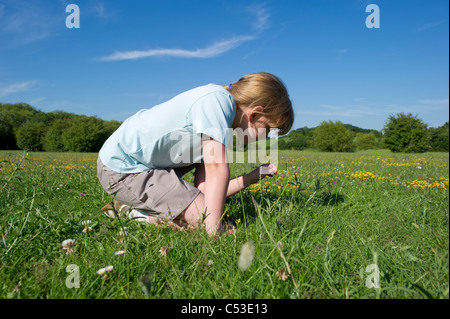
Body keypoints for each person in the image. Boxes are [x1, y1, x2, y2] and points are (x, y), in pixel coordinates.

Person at [97, 72, 294, 236]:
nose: (265, 137)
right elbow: (216, 169)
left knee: (208, 219)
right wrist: (213, 231)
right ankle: (131, 212)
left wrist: (251, 177)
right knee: (216, 227)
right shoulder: (216, 102)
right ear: (255, 114)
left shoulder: (218, 122)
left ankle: (130, 208)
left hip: (145, 168)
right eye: (267, 129)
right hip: (122, 169)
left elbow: (208, 192)